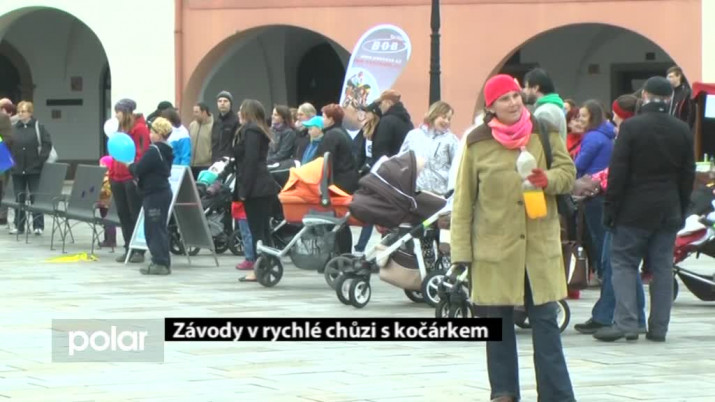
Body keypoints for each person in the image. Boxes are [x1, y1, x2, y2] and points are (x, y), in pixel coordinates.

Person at [451, 74, 576, 402]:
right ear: (491, 107)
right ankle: (504, 393)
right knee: (498, 325)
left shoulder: (544, 131)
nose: (513, 102)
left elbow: (568, 174)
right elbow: (463, 202)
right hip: (494, 249)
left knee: (546, 323)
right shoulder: (476, 142)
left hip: (538, 247)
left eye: (516, 96)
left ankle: (557, 396)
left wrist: (547, 178)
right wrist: (460, 254)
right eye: (504, 98)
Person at [595, 76, 695, 342]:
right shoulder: (682, 130)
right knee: (662, 268)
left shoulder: (631, 127)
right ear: (669, 99)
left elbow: (618, 173)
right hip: (668, 208)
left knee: (624, 263)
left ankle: (627, 322)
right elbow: (688, 175)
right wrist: (681, 208)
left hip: (633, 209)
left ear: (645, 96)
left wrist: (610, 208)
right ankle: (659, 328)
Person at [574, 94, 647, 335]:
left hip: (610, 202)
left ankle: (608, 316)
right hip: (628, 205)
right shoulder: (613, 136)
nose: (613, 116)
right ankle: (636, 317)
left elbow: (610, 171)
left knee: (612, 262)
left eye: (583, 116)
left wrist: (594, 181)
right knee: (625, 264)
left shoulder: (614, 137)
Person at [233, 100, 281, 283]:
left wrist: (244, 189)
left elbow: (250, 161)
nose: (238, 113)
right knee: (262, 229)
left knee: (257, 231)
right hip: (261, 186)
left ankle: (259, 267)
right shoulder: (257, 129)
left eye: (241, 110)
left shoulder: (251, 130)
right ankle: (267, 264)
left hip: (256, 187)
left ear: (248, 112)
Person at [126, 117, 174, 275]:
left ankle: (160, 262)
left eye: (152, 131)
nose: (150, 134)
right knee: (159, 228)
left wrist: (129, 165)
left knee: (153, 229)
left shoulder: (154, 151)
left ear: (159, 134)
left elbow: (139, 168)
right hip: (162, 192)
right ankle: (162, 261)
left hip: (154, 194)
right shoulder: (167, 149)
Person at [575, 100, 615, 275]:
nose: (580, 119)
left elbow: (580, 164)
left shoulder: (592, 137)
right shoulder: (607, 135)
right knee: (603, 234)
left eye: (584, 116)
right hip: (605, 189)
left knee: (597, 235)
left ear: (593, 117)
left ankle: (601, 272)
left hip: (592, 190)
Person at [110, 98, 150, 263]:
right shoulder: (119, 129)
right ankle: (128, 247)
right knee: (123, 214)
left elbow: (142, 152)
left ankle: (139, 249)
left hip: (131, 177)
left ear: (126, 112)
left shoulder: (140, 129)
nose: (116, 115)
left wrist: (134, 169)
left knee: (135, 213)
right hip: (117, 177)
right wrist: (112, 172)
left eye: (118, 112)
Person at [9, 101, 53, 235]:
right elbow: (6, 144)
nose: (20, 114)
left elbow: (47, 144)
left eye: (23, 111)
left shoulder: (39, 127)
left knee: (35, 197)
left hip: (34, 168)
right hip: (17, 168)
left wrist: (40, 161)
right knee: (19, 197)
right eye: (19, 111)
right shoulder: (13, 128)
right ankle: (19, 225)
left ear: (30, 112)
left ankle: (38, 226)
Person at [399, 101, 459, 196]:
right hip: (415, 192)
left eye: (449, 119)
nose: (447, 121)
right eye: (444, 117)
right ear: (434, 114)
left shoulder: (451, 140)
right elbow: (401, 161)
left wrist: (451, 191)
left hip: (440, 195)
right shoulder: (413, 135)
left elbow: (457, 166)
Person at [318, 104, 359, 194]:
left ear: (331, 119)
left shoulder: (331, 135)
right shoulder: (343, 132)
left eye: (324, 117)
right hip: (349, 181)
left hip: (337, 183)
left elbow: (326, 162)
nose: (322, 120)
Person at [523, 68, 568, 141]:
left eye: (526, 87)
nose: (524, 91)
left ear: (535, 88)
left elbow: (544, 142)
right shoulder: (553, 107)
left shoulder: (544, 112)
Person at [373, 90, 414, 160]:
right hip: (404, 163)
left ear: (388, 103)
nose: (379, 107)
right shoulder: (408, 122)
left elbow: (380, 150)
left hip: (389, 164)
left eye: (381, 103)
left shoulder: (387, 121)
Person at [212, 91, 239, 163]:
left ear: (230, 104)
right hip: (216, 161)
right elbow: (214, 143)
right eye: (219, 101)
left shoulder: (236, 121)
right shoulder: (216, 122)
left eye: (225, 101)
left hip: (230, 161)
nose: (222, 103)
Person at [189, 102, 214, 177]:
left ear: (204, 112)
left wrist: (209, 157)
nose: (194, 114)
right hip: (191, 165)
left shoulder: (213, 126)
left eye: (196, 112)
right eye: (193, 112)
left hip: (206, 165)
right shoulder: (192, 125)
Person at [98, 156, 117, 248]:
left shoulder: (107, 177)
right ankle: (107, 239)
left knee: (109, 221)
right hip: (103, 202)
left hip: (106, 202)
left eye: (102, 164)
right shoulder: (105, 176)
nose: (100, 166)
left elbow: (106, 190)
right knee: (106, 221)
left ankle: (111, 240)